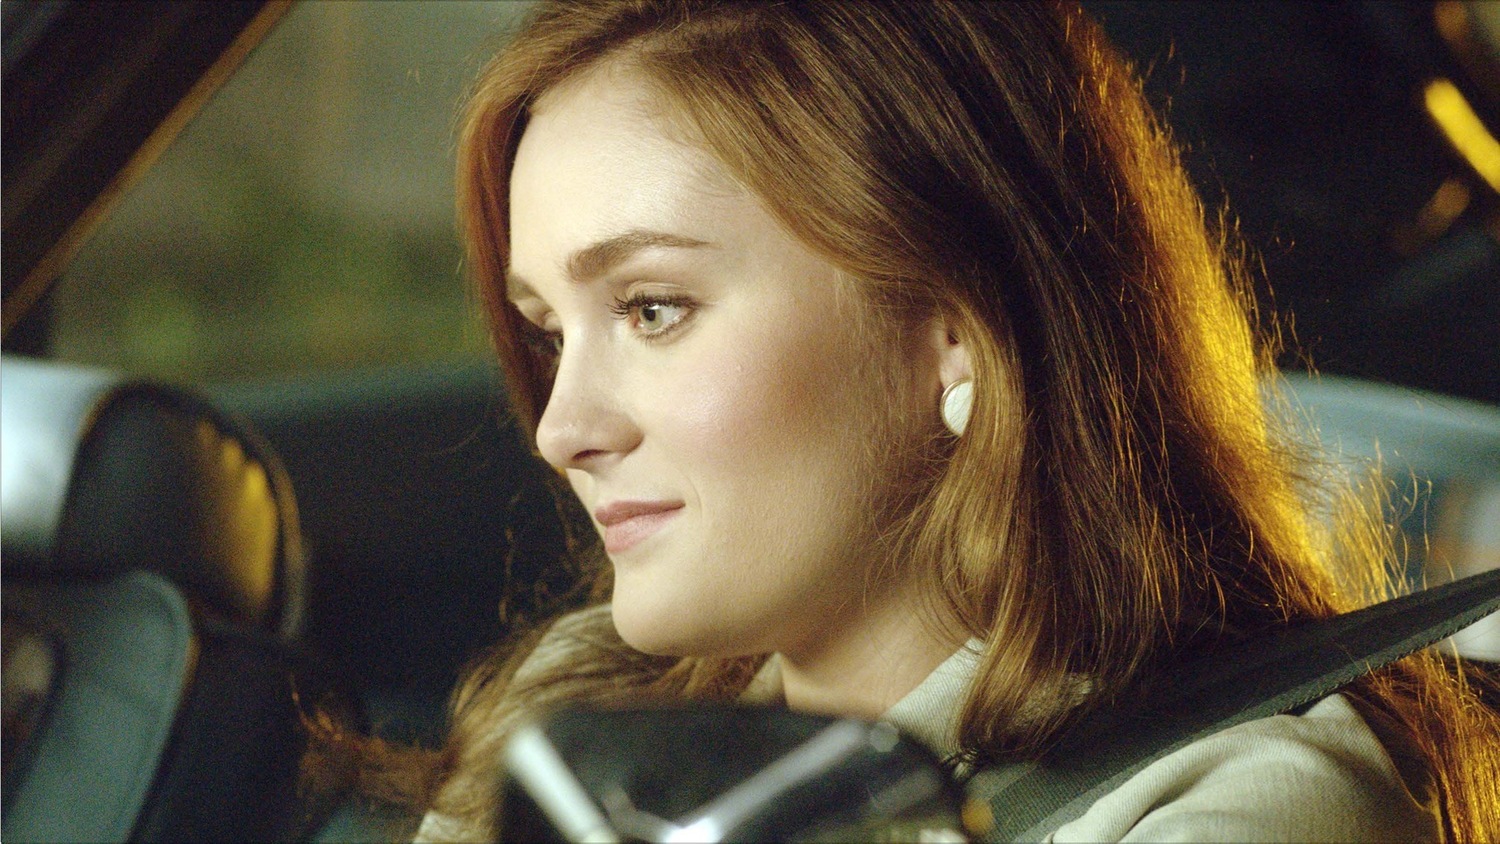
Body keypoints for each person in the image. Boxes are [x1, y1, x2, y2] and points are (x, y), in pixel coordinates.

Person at [373, 1, 1499, 840]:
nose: (560, 428)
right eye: (549, 332)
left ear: (955, 331)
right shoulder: (581, 719)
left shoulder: (1251, 805)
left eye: (651, 309)